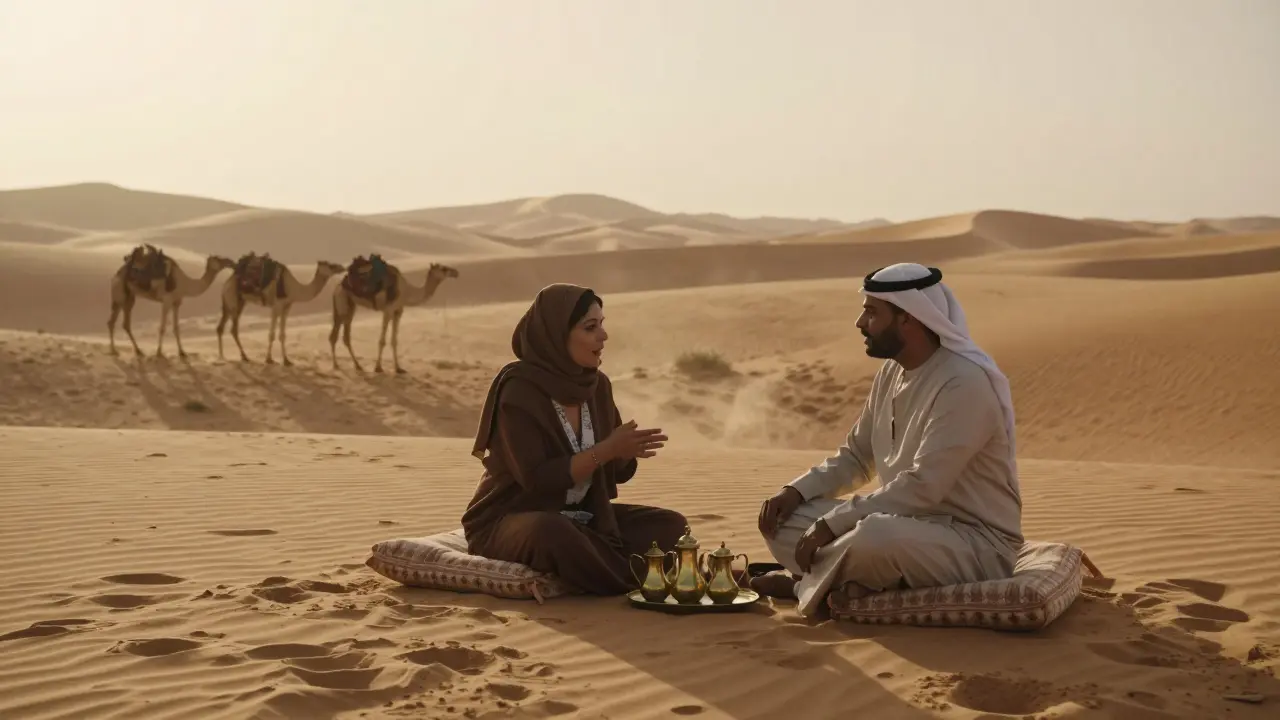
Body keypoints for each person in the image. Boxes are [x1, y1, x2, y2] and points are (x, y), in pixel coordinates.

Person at [754, 263, 1023, 617]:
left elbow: (923, 486)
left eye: (871, 312)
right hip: (908, 525)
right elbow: (856, 456)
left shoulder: (964, 383)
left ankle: (801, 585)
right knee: (787, 520)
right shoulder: (892, 372)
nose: (860, 323)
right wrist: (796, 491)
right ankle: (845, 582)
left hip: (974, 543)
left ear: (908, 318)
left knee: (873, 537)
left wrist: (833, 524)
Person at [462, 283, 689, 595]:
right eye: (590, 328)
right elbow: (538, 479)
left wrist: (624, 451)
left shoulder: (597, 387)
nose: (603, 336)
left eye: (602, 325)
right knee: (553, 532)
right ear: (557, 336)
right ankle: (630, 582)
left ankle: (612, 569)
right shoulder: (519, 392)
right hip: (510, 519)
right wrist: (605, 450)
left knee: (671, 527)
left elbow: (620, 472)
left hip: (583, 517)